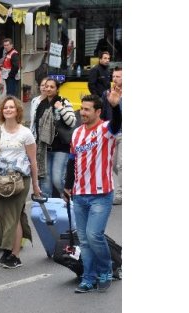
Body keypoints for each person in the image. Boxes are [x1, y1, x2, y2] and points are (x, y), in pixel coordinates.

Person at [63, 93, 121, 293]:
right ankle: (88, 278)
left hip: (101, 194)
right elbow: (72, 160)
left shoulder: (107, 129)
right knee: (85, 241)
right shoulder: (77, 132)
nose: (83, 112)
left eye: (87, 109)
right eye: (82, 109)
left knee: (94, 235)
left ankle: (106, 269)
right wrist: (68, 185)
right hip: (79, 194)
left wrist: (115, 106)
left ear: (98, 112)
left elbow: (118, 123)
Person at [0, 96, 40, 269]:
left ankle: (13, 254)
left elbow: (33, 161)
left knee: (14, 216)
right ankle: (6, 246)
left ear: (18, 110)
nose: (8, 110)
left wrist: (36, 185)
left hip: (20, 181)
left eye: (11, 107)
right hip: (0, 180)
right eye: (5, 107)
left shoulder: (26, 133)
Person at [30, 78, 76, 198]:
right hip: (45, 148)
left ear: (57, 89)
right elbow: (36, 126)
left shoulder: (64, 102)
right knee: (46, 182)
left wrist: (60, 108)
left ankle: (69, 198)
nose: (48, 89)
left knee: (57, 179)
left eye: (52, 87)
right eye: (46, 86)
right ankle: (48, 211)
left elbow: (71, 122)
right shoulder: (41, 105)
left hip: (61, 147)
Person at [99, 67, 122, 205]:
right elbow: (102, 113)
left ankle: (119, 193)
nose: (115, 79)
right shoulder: (106, 93)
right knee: (113, 164)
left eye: (118, 76)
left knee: (121, 164)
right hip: (112, 133)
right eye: (114, 76)